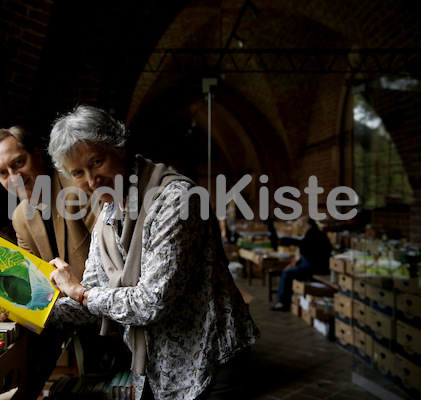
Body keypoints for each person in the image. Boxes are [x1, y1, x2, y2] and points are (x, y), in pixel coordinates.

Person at [44, 105, 260, 400]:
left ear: (118, 147)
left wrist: (80, 292)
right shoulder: (107, 216)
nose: (92, 180)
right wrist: (19, 308)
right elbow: (92, 295)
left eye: (97, 161)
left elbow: (152, 301)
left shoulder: (175, 200)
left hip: (210, 359)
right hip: (159, 367)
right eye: (78, 172)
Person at [0, 126, 99, 400]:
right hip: (67, 322)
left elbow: (109, 271)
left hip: (107, 319)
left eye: (19, 163)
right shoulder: (20, 217)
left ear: (38, 156)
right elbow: (32, 285)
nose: (14, 177)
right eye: (3, 173)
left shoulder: (79, 189)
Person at [270, 217, 332, 311]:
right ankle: (288, 299)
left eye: (302, 227)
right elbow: (306, 251)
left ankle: (283, 303)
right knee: (289, 270)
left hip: (316, 265)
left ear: (308, 226)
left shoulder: (313, 234)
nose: (301, 229)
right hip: (315, 262)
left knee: (287, 273)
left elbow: (306, 251)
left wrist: (296, 262)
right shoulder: (316, 233)